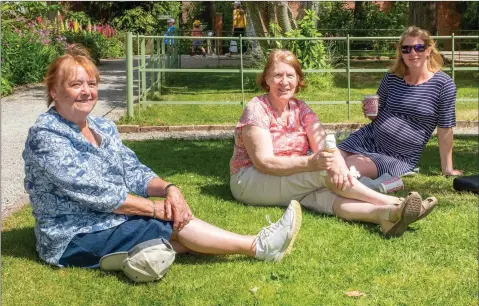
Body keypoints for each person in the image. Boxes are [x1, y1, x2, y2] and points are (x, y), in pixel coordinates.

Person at [22, 47, 302, 275]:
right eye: (75, 84)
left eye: (91, 83)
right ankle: (259, 246)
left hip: (107, 219)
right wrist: (155, 209)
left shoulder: (102, 127)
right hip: (73, 235)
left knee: (174, 226)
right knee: (169, 224)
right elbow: (95, 192)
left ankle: (141, 253)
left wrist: (170, 189)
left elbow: (133, 171)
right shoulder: (47, 135)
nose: (86, 91)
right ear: (54, 91)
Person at [229, 49, 438, 237]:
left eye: (290, 75)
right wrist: (312, 164)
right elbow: (264, 162)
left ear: (298, 80)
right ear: (266, 79)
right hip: (250, 180)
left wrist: (338, 167)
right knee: (323, 174)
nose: (284, 82)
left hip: (288, 177)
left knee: (329, 195)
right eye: (278, 75)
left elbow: (325, 144)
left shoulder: (301, 109)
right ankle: (395, 203)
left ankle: (385, 216)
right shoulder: (256, 109)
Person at [338, 26, 463, 179]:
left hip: (396, 157)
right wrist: (370, 112)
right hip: (367, 138)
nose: (413, 53)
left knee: (349, 167)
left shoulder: (443, 85)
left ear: (429, 50)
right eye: (406, 49)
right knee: (329, 160)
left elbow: (445, 128)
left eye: (418, 47)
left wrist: (447, 168)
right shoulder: (392, 77)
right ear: (401, 53)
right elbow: (376, 114)